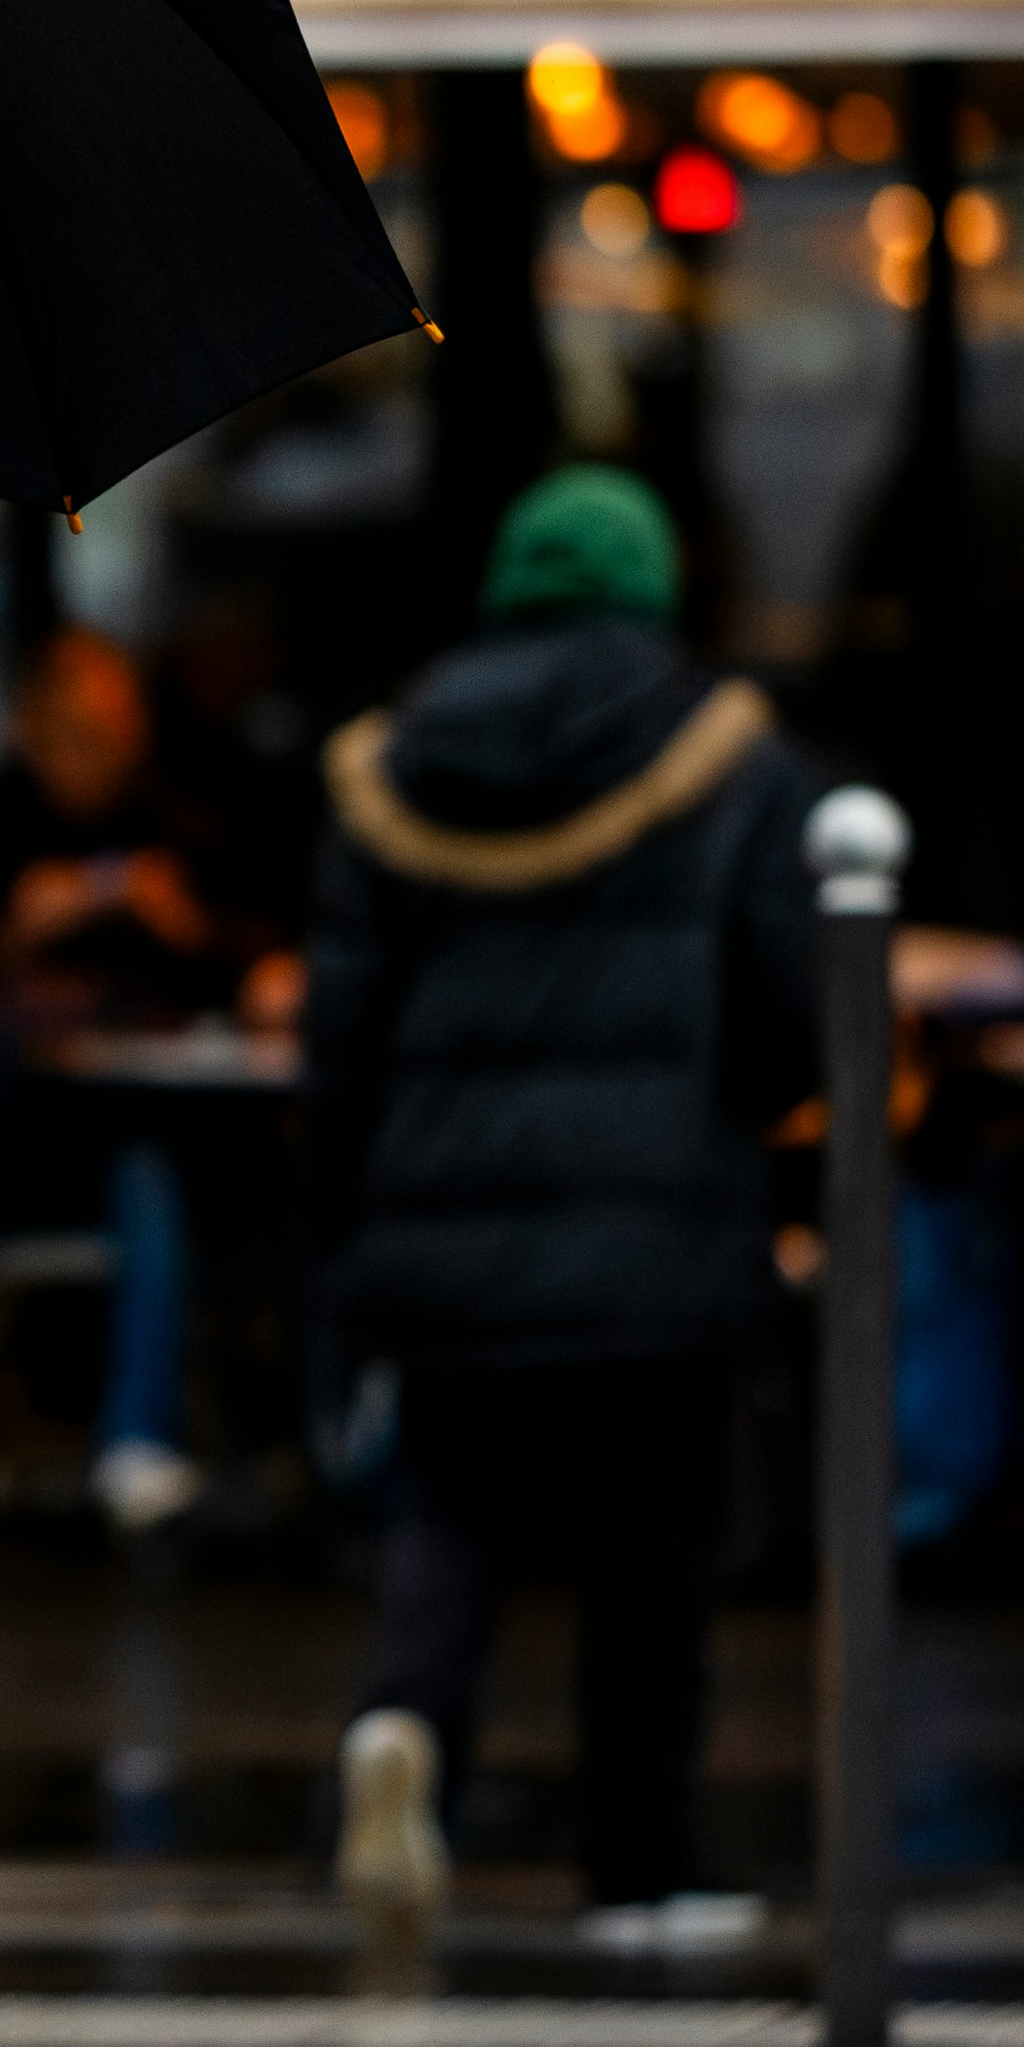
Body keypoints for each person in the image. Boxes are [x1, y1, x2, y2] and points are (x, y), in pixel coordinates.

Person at [297, 467, 828, 1936]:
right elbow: (792, 1002)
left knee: (454, 1507)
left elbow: (339, 1038)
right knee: (652, 1536)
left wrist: (344, 1219)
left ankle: (404, 1726)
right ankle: (637, 1865)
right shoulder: (729, 753)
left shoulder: (392, 759)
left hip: (443, 1212)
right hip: (661, 1215)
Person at [0, 625, 247, 1563]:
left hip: (104, 1127)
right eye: (79, 734)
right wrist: (15, 930)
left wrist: (186, 931)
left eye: (117, 734)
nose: (100, 757)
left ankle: (139, 1445)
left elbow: (235, 984)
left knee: (151, 1175)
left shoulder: (171, 828)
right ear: (31, 732)